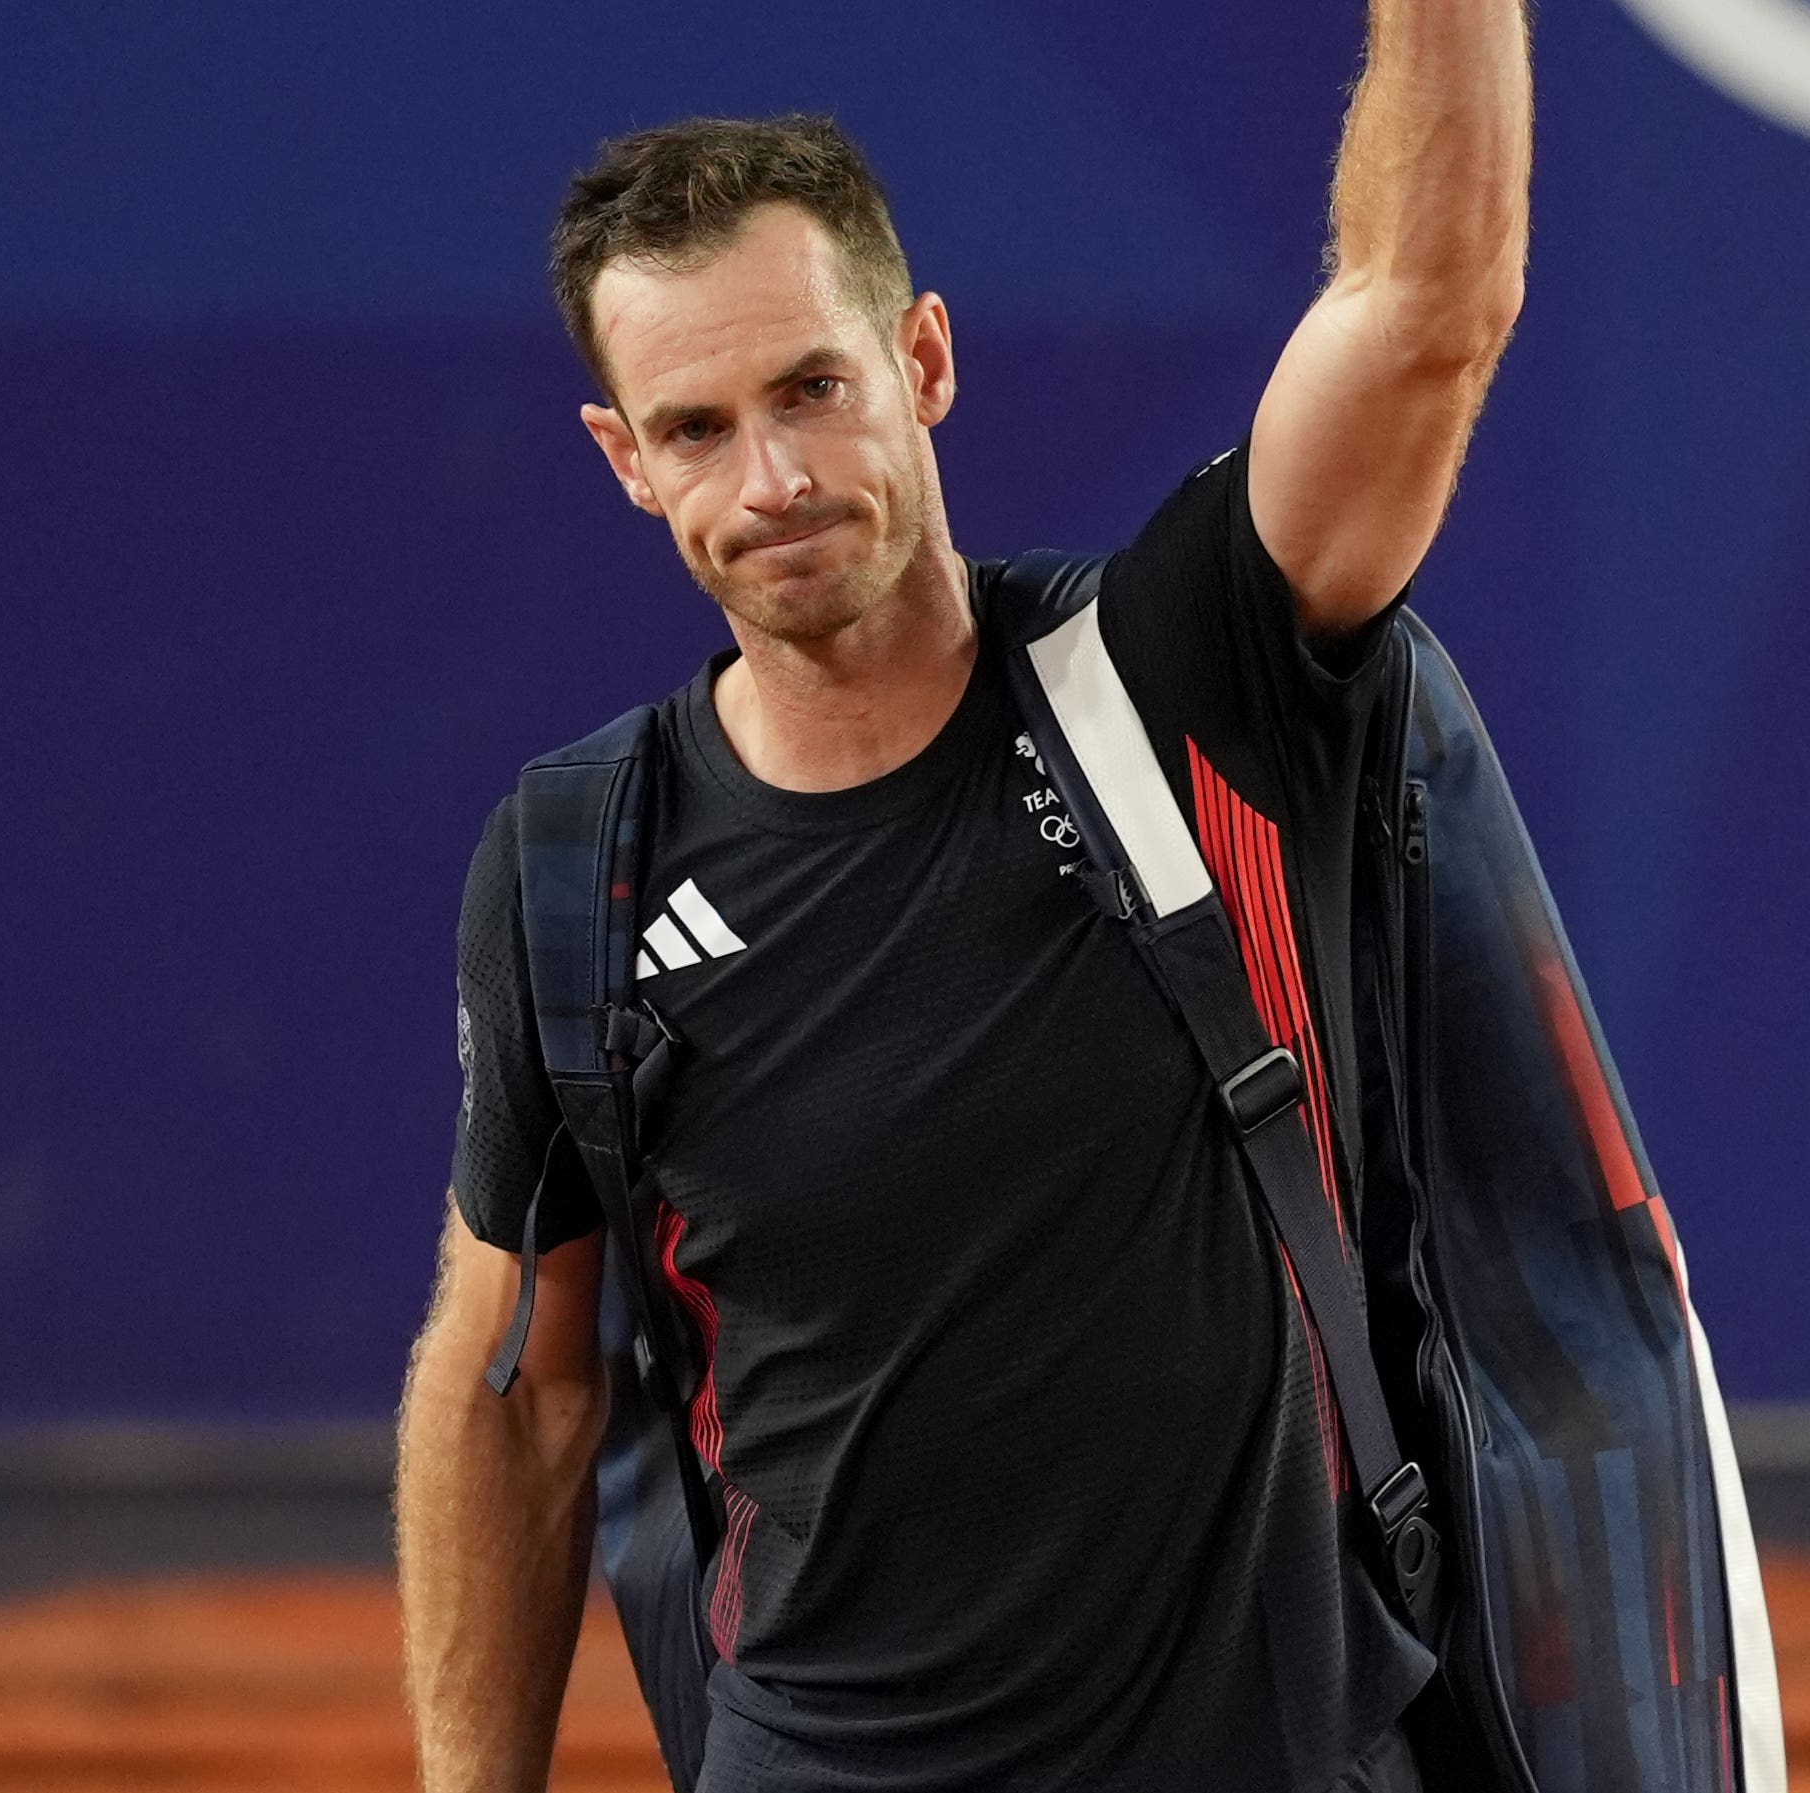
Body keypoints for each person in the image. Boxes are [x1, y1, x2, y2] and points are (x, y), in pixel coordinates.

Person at [395, 5, 1530, 1786]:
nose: (770, 481)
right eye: (695, 427)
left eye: (812, 390)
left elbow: (1421, 318)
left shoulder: (1182, 680)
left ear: (922, 359)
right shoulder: (571, 864)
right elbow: (513, 1389)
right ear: (625, 460)